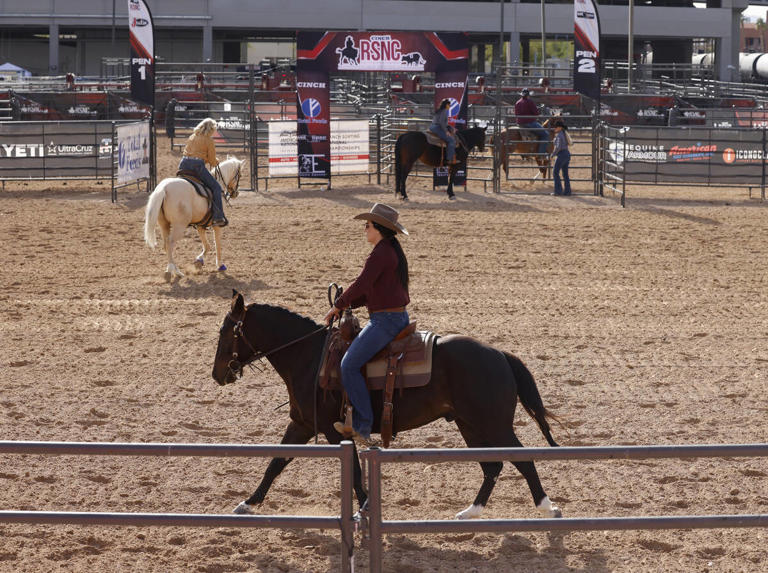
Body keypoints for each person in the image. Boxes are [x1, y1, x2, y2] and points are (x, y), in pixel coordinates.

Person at [324, 203, 410, 444]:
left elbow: (362, 283)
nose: (364, 229)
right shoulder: (390, 250)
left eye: (367, 225)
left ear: (379, 228)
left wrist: (338, 305)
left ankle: (363, 424)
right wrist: (349, 304)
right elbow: (372, 290)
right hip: (393, 316)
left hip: (386, 321)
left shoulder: (381, 253)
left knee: (349, 364)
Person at [179, 117, 227, 227]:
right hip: (197, 166)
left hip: (183, 164)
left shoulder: (192, 136)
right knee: (216, 188)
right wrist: (216, 162)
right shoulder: (208, 140)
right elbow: (212, 160)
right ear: (211, 129)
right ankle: (218, 217)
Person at [514, 88, 549, 158]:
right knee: (545, 134)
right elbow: (536, 113)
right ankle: (541, 154)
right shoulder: (529, 101)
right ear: (528, 95)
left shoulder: (517, 102)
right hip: (529, 123)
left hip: (520, 123)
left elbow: (516, 114)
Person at [429, 98, 458, 165]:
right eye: (449, 105)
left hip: (433, 126)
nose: (450, 106)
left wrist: (451, 128)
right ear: (446, 105)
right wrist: (446, 131)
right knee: (451, 140)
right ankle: (449, 159)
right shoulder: (444, 111)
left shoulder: (440, 110)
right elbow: (442, 122)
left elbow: (444, 123)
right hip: (437, 127)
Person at [550, 119, 572, 196]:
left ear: (559, 127)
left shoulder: (559, 135)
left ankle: (558, 191)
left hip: (561, 155)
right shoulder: (564, 133)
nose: (554, 129)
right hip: (566, 154)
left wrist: (552, 155)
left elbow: (558, 147)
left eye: (555, 127)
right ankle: (567, 191)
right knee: (565, 174)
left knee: (555, 172)